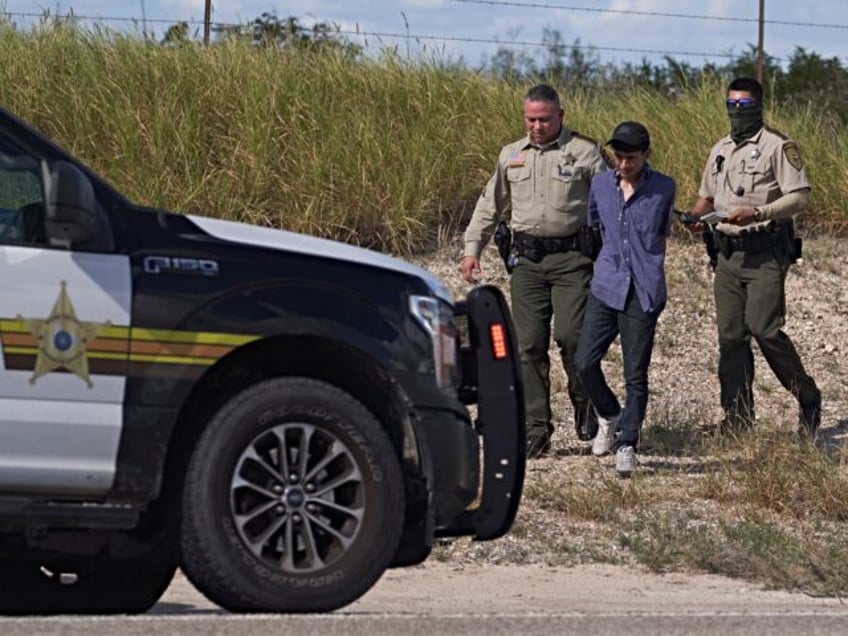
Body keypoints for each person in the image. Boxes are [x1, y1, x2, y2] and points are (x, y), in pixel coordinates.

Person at [460, 83, 609, 458]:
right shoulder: (511, 155)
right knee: (527, 345)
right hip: (527, 263)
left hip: (573, 260)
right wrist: (471, 249)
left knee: (572, 336)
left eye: (544, 119)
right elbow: (489, 206)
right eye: (531, 119)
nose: (537, 126)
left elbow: (611, 203)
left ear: (561, 115)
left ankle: (585, 402)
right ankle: (536, 428)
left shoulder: (584, 152)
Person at [686, 77, 821, 437]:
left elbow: (799, 196)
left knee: (765, 329)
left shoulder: (779, 145)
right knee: (730, 338)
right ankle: (738, 418)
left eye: (744, 105)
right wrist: (694, 217)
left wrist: (759, 213)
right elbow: (707, 198)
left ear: (759, 106)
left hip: (765, 252)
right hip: (727, 257)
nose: (737, 112)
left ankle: (807, 395)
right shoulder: (720, 149)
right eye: (731, 105)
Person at [574, 122, 675, 477]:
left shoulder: (664, 187)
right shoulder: (601, 184)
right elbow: (594, 226)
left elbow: (661, 236)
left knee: (636, 374)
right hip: (607, 284)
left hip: (643, 290)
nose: (623, 163)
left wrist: (652, 277)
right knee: (584, 360)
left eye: (630, 157)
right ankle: (610, 414)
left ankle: (628, 443)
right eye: (618, 156)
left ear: (646, 154)